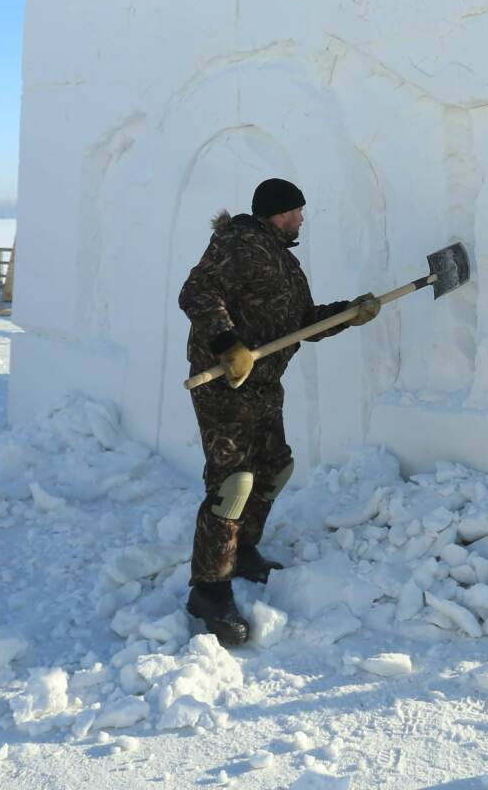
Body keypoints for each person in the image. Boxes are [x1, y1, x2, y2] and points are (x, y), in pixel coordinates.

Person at [176, 177, 380, 645]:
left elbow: (301, 323)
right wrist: (228, 344)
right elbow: (197, 292)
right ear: (277, 212)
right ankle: (209, 590)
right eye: (296, 211)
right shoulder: (238, 243)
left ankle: (241, 548)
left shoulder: (283, 260)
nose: (302, 218)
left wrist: (350, 313)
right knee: (232, 483)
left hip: (265, 384)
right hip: (225, 384)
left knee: (275, 467)